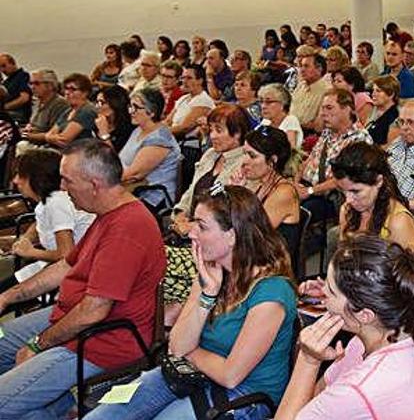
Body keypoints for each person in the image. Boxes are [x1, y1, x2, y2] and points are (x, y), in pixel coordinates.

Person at [84, 185, 297, 420]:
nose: (191, 233)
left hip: (244, 393)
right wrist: (208, 295)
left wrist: (190, 351)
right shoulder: (212, 273)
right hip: (193, 374)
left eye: (202, 227)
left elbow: (230, 375)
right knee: (101, 416)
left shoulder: (272, 293)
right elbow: (176, 346)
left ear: (232, 236)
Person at [0, 140, 165, 419]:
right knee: (3, 344)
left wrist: (38, 344)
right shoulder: (107, 214)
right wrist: (7, 296)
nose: (62, 188)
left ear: (95, 184)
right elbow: (67, 265)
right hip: (71, 317)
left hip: (101, 342)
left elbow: (93, 311)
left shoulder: (127, 229)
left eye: (67, 180)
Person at [277, 235, 414, 419]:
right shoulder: (404, 332)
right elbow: (319, 396)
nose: (322, 294)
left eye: (330, 289)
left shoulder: (361, 388)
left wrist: (308, 360)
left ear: (364, 315)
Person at [0, 150, 95, 293]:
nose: (15, 181)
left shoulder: (56, 203)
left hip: (70, 275)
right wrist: (26, 238)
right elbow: (41, 222)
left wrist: (31, 252)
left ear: (36, 178)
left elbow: (66, 255)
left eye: (20, 175)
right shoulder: (50, 200)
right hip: (54, 267)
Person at [171, 104, 252, 235]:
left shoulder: (245, 164)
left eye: (219, 130)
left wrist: (194, 226)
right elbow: (191, 191)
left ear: (237, 133)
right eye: (211, 129)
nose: (212, 136)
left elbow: (228, 214)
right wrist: (180, 215)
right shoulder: (210, 154)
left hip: (217, 237)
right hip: (187, 229)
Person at [295, 89, 372, 224]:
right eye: (322, 108)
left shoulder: (359, 139)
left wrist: (310, 191)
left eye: (329, 108)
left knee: (301, 213)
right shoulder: (327, 133)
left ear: (348, 109)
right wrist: (295, 184)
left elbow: (344, 179)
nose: (323, 113)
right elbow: (309, 160)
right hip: (308, 187)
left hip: (331, 197)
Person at [332, 142, 414, 251]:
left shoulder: (398, 223)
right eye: (343, 191)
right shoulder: (347, 211)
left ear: (379, 181)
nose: (348, 200)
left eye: (356, 191)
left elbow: (404, 267)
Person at [120, 88, 182, 208]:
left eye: (136, 107)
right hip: (131, 190)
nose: (130, 111)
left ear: (151, 112)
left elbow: (133, 175)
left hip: (151, 197)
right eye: (130, 106)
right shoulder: (138, 130)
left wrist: (102, 180)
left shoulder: (160, 139)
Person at [238, 126, 300, 230]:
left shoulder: (284, 193)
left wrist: (237, 194)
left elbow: (253, 233)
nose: (244, 161)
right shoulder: (261, 184)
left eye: (252, 156)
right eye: (244, 153)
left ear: (272, 161)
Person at [166, 64, 215, 190]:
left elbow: (184, 128)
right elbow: (167, 121)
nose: (184, 81)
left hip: (190, 149)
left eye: (189, 78)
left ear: (200, 80)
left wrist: (157, 132)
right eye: (183, 78)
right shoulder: (183, 99)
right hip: (174, 142)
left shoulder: (203, 100)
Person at [17, 69, 70, 154]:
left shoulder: (60, 104)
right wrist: (27, 128)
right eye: (30, 83)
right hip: (33, 141)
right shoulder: (37, 102)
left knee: (21, 146)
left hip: (50, 147)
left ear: (50, 85)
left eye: (37, 83)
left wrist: (28, 135)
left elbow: (55, 135)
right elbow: (32, 124)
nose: (32, 87)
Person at [45, 73, 98, 148]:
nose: (67, 93)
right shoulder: (68, 111)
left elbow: (64, 139)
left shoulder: (87, 111)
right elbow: (48, 134)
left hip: (77, 154)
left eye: (73, 89)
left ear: (85, 93)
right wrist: (51, 137)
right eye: (66, 88)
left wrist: (51, 138)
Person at [289, 53, 332, 133]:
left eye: (306, 66)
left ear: (319, 69)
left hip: (309, 134)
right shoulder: (300, 86)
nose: (302, 70)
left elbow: (319, 126)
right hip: (290, 129)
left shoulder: (327, 91)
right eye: (301, 66)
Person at [258, 83, 303, 151]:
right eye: (261, 102)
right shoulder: (266, 121)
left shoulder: (291, 120)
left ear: (283, 104)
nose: (263, 106)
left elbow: (289, 150)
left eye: (269, 102)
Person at [94, 85, 134, 153]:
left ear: (115, 104)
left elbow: (113, 159)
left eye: (101, 103)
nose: (97, 106)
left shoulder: (128, 129)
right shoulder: (98, 121)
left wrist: (104, 134)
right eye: (97, 102)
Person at [365, 75, 400, 147]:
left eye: (378, 91)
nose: (373, 94)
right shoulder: (374, 111)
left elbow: (389, 147)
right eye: (373, 90)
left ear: (391, 94)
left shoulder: (395, 117)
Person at [0, 53, 32, 125]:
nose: (2, 70)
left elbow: (24, 98)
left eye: (4, 66)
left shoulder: (22, 76)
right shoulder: (7, 82)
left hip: (19, 114)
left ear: (13, 63)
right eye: (0, 67)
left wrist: (5, 107)